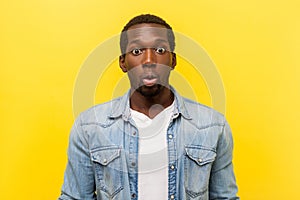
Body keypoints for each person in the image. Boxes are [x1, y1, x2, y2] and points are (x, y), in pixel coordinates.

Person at [59, 14, 239, 200]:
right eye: (137, 51)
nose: (149, 60)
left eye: (160, 49)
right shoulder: (89, 127)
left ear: (173, 61)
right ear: (123, 62)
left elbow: (225, 197)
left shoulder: (213, 126)